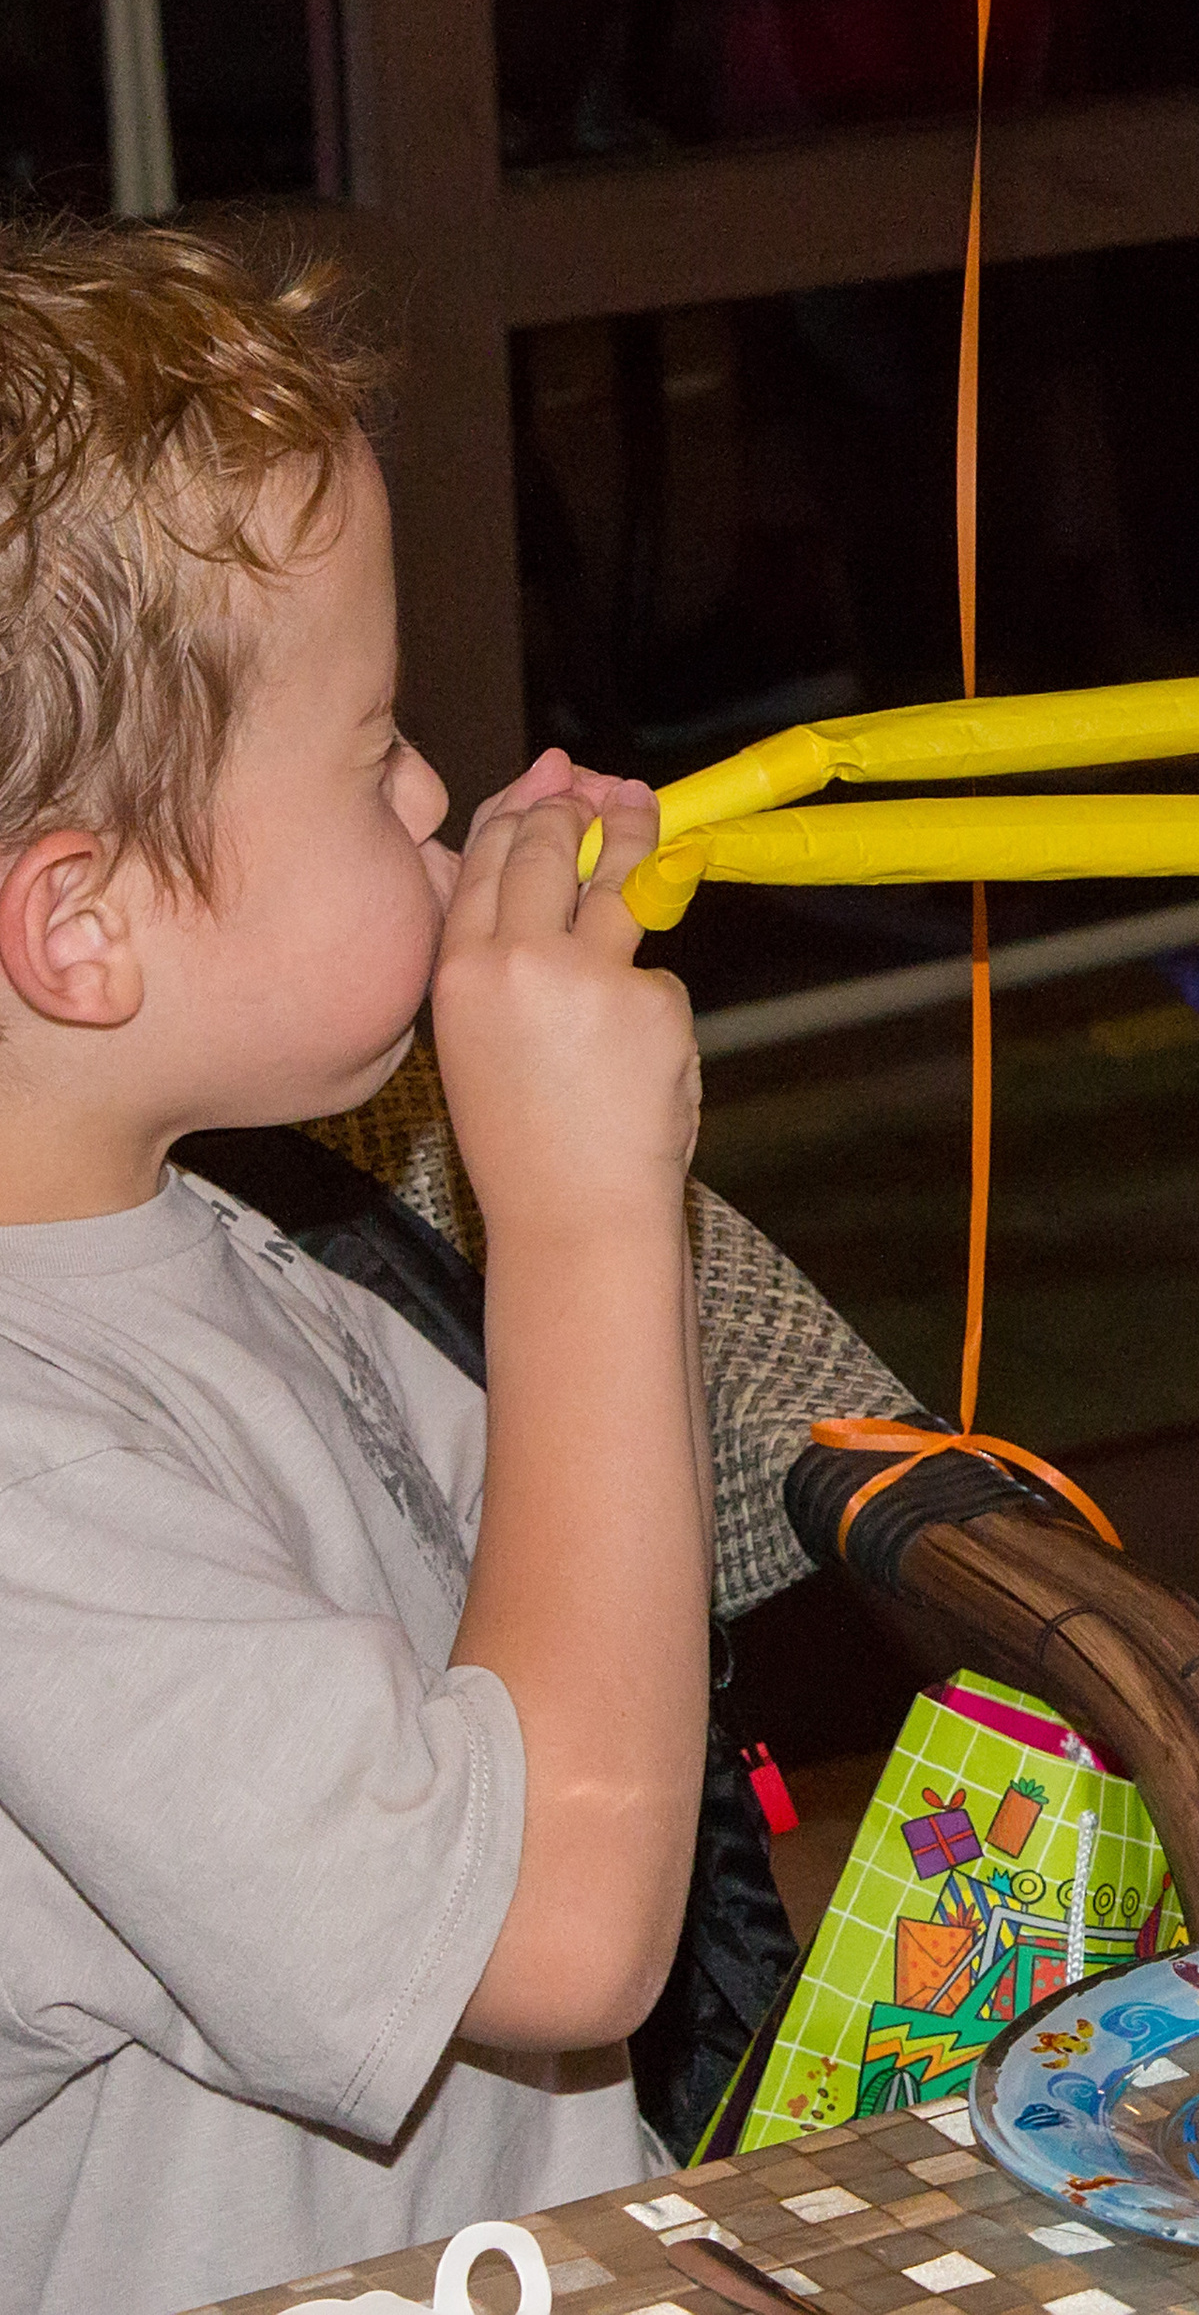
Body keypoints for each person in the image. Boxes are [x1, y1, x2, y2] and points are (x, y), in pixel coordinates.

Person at [0, 224, 710, 2314]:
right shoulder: (29, 1488)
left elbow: (574, 1629)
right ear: (83, 927)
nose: (428, 789)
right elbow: (561, 1929)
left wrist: (591, 1173)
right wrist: (577, 1212)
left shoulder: (200, 1243)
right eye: (371, 742)